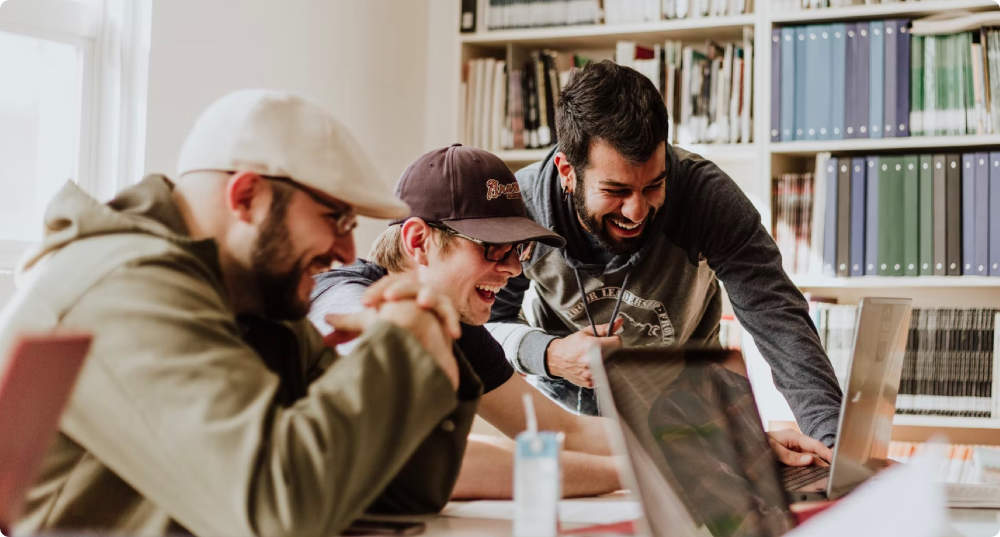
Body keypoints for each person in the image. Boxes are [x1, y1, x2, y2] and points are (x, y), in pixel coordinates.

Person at [0, 90, 477, 537]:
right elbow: (275, 513)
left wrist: (431, 352)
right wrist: (399, 351)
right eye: (336, 218)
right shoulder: (123, 287)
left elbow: (393, 495)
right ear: (246, 196)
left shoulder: (253, 301)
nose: (348, 251)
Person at [310, 145, 831, 501]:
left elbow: (560, 429)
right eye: (493, 249)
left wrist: (725, 444)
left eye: (518, 251)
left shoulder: (457, 324)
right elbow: (431, 460)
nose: (514, 269)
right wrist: (665, 472)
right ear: (419, 241)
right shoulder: (347, 304)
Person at [486, 60, 844, 447]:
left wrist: (832, 444)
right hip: (568, 426)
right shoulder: (522, 209)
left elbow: (778, 320)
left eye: (654, 185)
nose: (636, 211)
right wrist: (550, 354)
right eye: (616, 191)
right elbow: (485, 326)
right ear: (567, 171)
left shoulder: (706, 197)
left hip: (690, 420)